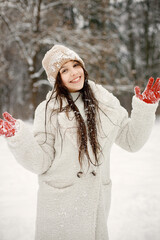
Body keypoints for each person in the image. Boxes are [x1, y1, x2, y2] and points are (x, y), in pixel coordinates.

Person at [0, 44, 160, 240]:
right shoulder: (48, 109)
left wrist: (145, 109)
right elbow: (40, 162)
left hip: (96, 204)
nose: (74, 73)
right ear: (56, 79)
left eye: (76, 65)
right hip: (60, 207)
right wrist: (19, 139)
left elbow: (131, 141)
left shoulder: (104, 101)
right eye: (64, 70)